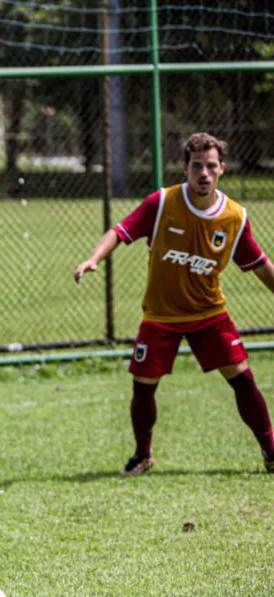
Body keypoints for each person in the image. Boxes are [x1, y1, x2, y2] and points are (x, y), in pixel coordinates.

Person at [75, 132, 274, 475]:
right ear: (185, 168)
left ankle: (271, 452)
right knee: (142, 385)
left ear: (222, 169)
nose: (204, 173)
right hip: (160, 315)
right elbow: (119, 231)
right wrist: (93, 258)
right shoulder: (162, 203)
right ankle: (142, 455)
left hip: (209, 313)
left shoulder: (234, 217)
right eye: (197, 165)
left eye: (211, 166)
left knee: (242, 379)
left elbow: (259, 264)